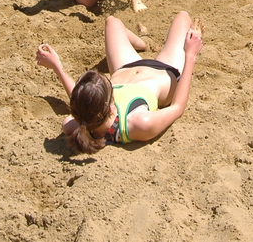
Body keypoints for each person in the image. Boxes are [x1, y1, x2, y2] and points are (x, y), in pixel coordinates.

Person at [35, 11, 204, 154]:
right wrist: (190, 55)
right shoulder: (139, 123)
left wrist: (57, 67)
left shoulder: (78, 122)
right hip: (165, 71)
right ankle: (155, 44)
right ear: (111, 108)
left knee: (112, 22)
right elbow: (177, 108)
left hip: (125, 67)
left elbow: (81, 99)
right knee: (183, 17)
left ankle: (142, 44)